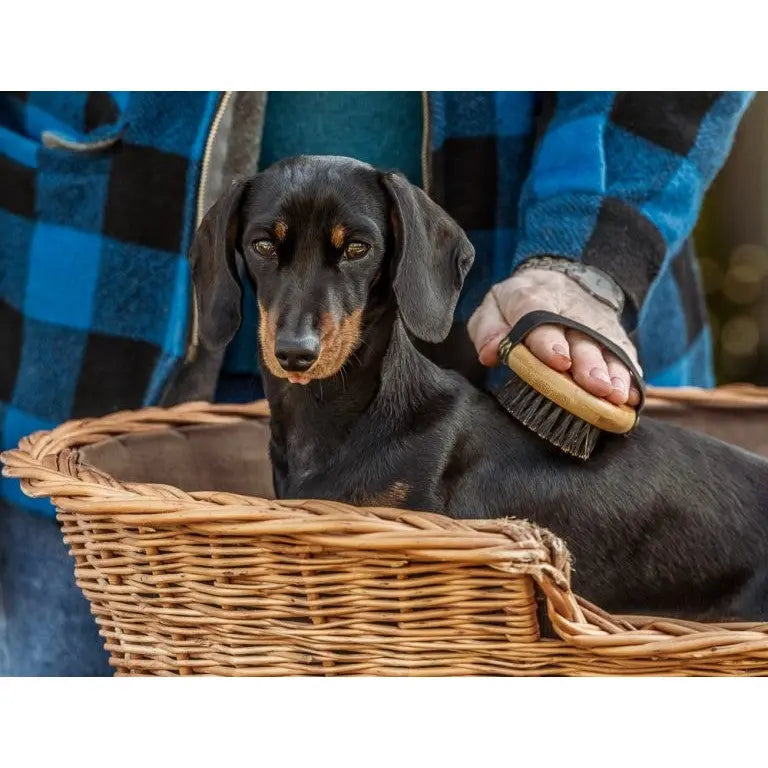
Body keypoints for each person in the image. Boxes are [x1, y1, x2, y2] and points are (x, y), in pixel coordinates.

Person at [0, 91, 753, 675]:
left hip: (534, 334)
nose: (299, 330)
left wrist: (584, 258)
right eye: (267, 248)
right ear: (233, 256)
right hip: (89, 370)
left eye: (352, 251)